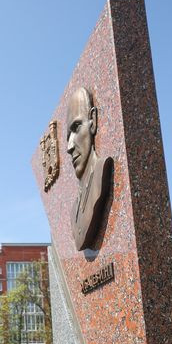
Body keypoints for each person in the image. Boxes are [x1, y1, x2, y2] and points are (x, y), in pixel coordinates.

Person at [66, 86, 113, 251]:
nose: (69, 147)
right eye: (67, 138)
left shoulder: (102, 171)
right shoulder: (74, 213)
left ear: (92, 120)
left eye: (76, 127)